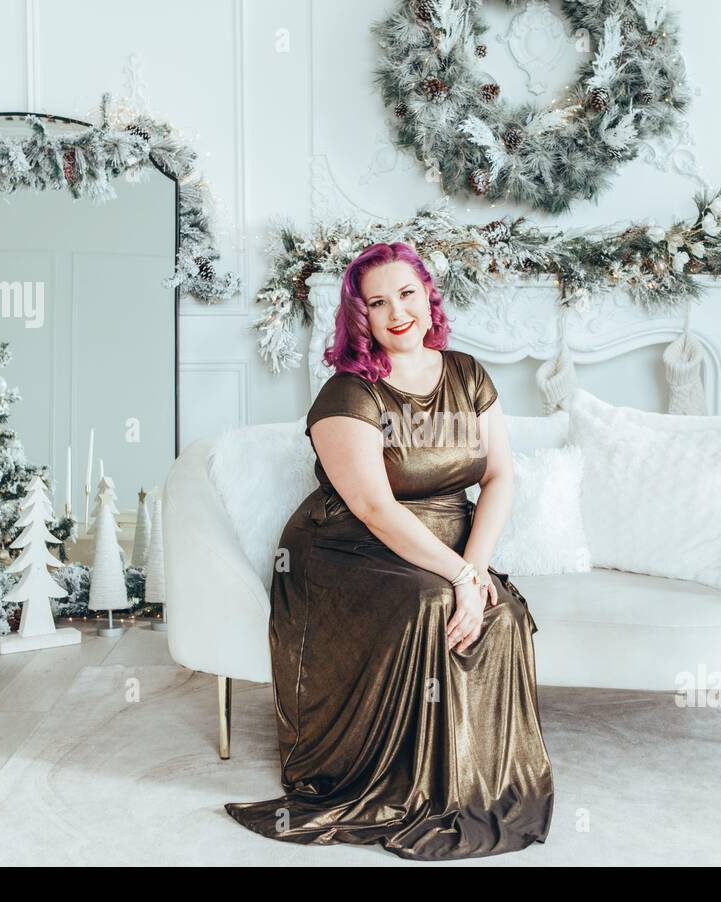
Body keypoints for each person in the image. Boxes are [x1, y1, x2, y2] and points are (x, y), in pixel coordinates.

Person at [224, 241, 554, 860]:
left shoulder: (468, 374)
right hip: (349, 549)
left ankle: (476, 784)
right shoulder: (348, 394)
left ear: (428, 298)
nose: (396, 312)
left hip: (446, 541)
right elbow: (375, 508)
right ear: (361, 318)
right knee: (433, 604)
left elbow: (500, 478)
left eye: (406, 294)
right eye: (377, 303)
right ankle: (410, 791)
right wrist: (456, 576)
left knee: (501, 614)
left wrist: (474, 570)